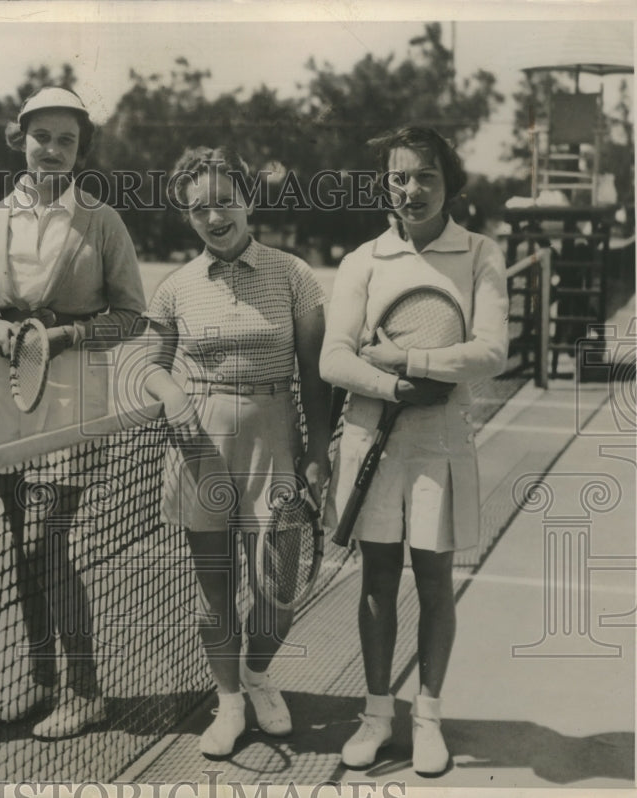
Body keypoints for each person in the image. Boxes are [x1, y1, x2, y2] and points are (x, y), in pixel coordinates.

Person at [0, 86, 147, 740]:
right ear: (21, 139)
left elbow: (131, 314)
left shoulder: (102, 221)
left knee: (44, 542)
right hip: (4, 391)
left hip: (72, 393)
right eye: (43, 137)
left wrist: (71, 335)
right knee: (21, 547)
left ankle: (85, 691)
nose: (53, 150)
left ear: (81, 148)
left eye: (67, 140)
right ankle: (41, 682)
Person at [320, 127, 508, 775]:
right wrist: (395, 386)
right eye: (399, 177)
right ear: (386, 185)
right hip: (373, 435)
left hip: (441, 440)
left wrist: (410, 359)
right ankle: (377, 716)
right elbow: (334, 358)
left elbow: (491, 351)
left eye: (426, 175)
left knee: (433, 579)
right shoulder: (363, 260)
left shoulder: (480, 252)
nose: (412, 189)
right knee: (376, 579)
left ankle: (427, 719)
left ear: (449, 183)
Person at [142, 147, 332, 757]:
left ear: (248, 199)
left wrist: (317, 450)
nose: (214, 217)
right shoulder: (175, 288)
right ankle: (229, 703)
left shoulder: (294, 275)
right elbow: (149, 367)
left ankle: (256, 673)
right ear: (187, 216)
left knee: (278, 591)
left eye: (225, 201)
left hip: (274, 438)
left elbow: (315, 373)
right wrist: (173, 394)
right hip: (198, 444)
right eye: (199, 208)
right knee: (215, 589)